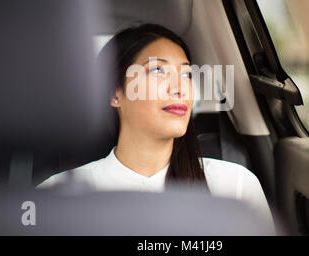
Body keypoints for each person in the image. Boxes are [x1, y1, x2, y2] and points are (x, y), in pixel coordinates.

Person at [38, 23, 276, 234]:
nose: (180, 88)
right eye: (157, 71)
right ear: (115, 94)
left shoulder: (236, 186)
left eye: (186, 74)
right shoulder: (55, 198)